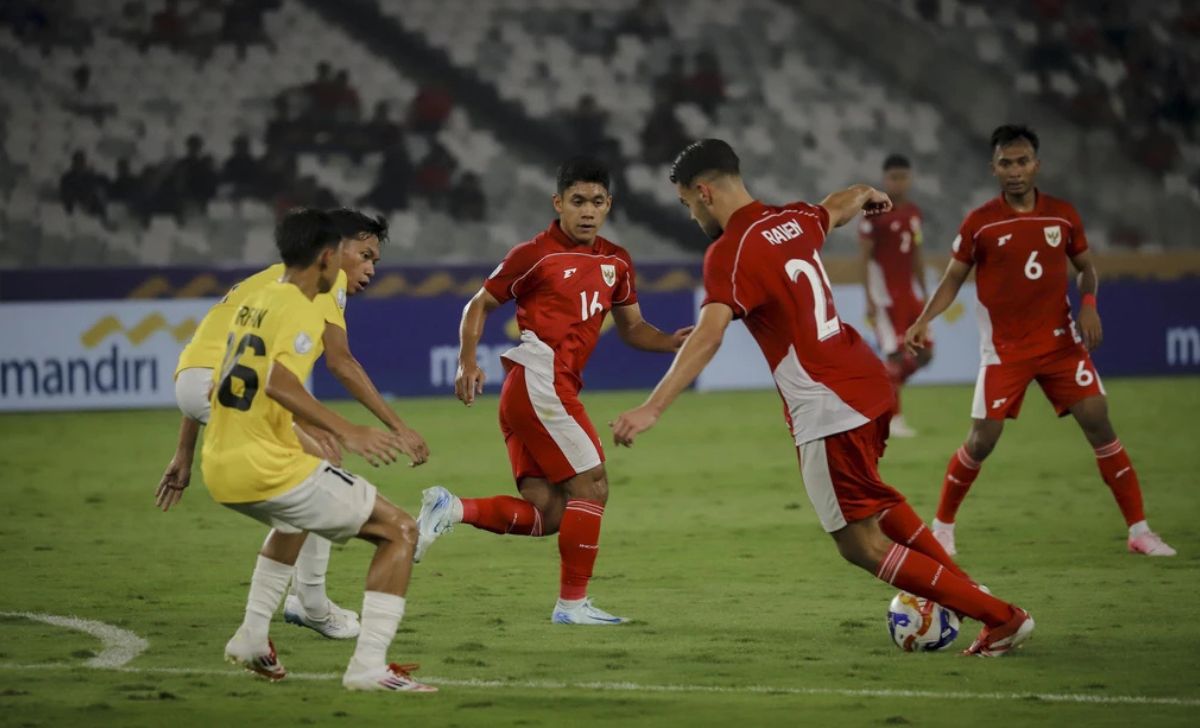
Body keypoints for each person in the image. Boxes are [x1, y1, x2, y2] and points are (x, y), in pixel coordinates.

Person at [611, 139, 1033, 656]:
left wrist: (652, 406)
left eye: (687, 203)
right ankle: (974, 595)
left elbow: (710, 334)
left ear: (703, 191)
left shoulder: (729, 250)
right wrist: (871, 193)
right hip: (866, 381)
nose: (693, 214)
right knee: (875, 499)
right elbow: (844, 199)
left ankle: (1000, 617)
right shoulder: (793, 218)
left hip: (826, 402)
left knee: (859, 544)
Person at [415, 157, 691, 625]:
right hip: (542, 383)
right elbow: (478, 304)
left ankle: (452, 508)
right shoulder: (535, 254)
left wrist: (671, 343)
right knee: (593, 485)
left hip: (540, 391)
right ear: (558, 202)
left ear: (609, 205)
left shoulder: (616, 261)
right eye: (578, 201)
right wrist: (467, 361)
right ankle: (572, 606)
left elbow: (633, 327)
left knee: (549, 512)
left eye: (597, 202)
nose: (587, 211)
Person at [155, 209, 431, 640]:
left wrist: (184, 450)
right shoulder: (325, 280)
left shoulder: (269, 281)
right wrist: (392, 426)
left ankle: (284, 614)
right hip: (237, 390)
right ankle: (310, 602)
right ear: (334, 250)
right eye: (365, 255)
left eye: (375, 260)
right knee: (313, 479)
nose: (370, 269)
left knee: (307, 477)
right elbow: (340, 362)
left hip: (196, 383)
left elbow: (215, 371)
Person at [904, 125, 1176, 558]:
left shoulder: (1062, 215)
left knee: (1100, 422)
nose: (1015, 171)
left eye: (1022, 161)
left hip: (1059, 345)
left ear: (1037, 164)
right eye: (1006, 163)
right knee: (981, 441)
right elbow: (955, 276)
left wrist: (1088, 304)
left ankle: (1140, 531)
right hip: (1005, 351)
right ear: (993, 168)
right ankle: (941, 527)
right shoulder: (980, 223)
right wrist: (923, 319)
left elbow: (1086, 267)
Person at [858, 154, 930, 437]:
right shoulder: (874, 213)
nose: (899, 182)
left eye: (903, 176)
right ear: (885, 180)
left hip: (909, 295)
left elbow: (918, 254)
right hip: (885, 297)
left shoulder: (914, 214)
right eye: (893, 177)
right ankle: (893, 419)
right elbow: (863, 258)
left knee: (926, 353)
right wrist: (868, 297)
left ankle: (882, 389)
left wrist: (925, 292)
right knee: (895, 356)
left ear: (910, 179)